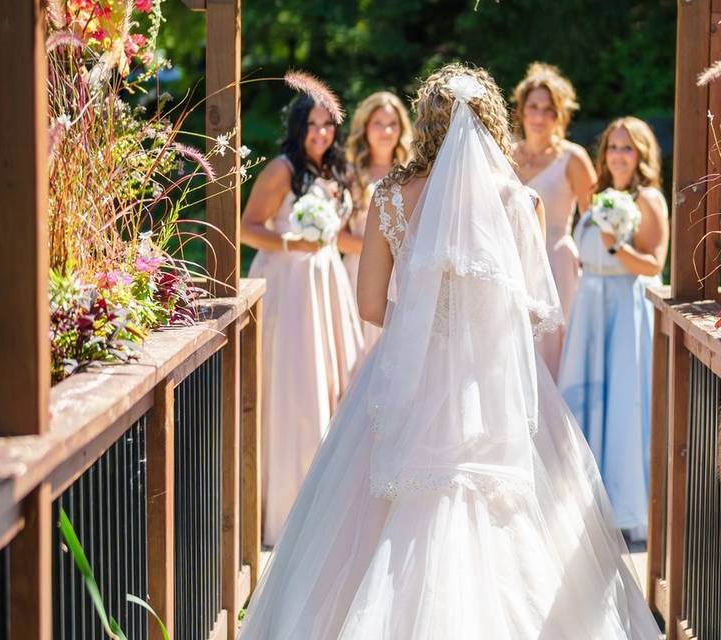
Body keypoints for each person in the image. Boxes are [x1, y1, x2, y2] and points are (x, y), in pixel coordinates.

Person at [239, 64, 659, 639]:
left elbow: (369, 306)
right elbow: (533, 309)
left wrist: (423, 325)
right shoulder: (521, 202)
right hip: (491, 384)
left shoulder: (391, 196)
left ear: (426, 121)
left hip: (406, 374)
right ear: (490, 119)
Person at [241, 88, 365, 546]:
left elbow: (344, 238)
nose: (320, 132)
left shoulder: (335, 172)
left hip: (327, 283)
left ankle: (331, 504)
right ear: (297, 127)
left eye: (327, 124)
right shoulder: (282, 169)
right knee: (296, 390)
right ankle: (287, 509)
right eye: (312, 125)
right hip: (291, 285)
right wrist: (294, 243)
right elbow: (246, 227)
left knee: (336, 384)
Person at [558, 116, 670, 543]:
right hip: (590, 306)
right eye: (612, 147)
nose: (618, 156)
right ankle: (582, 506)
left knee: (622, 405)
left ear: (641, 154)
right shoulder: (599, 197)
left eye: (627, 148)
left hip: (625, 308)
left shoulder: (648, 200)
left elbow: (654, 263)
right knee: (583, 401)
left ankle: (625, 508)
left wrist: (614, 246)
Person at [511, 62, 597, 378]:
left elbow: (594, 222)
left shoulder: (572, 158)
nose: (538, 116)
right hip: (511, 260)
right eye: (533, 106)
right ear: (520, 110)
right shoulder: (504, 155)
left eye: (548, 109)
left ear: (558, 115)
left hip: (557, 263)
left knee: (553, 346)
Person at [342, 91, 412, 350]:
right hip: (356, 273)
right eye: (378, 123)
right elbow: (337, 236)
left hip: (401, 274)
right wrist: (379, 254)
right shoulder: (350, 174)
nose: (386, 131)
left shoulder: (411, 174)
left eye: (392, 124)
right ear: (365, 128)